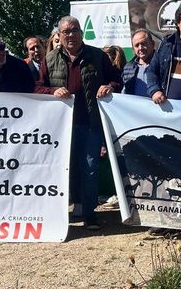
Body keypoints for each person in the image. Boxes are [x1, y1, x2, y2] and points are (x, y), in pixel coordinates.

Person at [35, 15, 122, 229]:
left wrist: (109, 86)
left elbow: (116, 80)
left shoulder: (97, 56)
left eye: (74, 30)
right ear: (59, 35)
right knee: (66, 168)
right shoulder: (50, 59)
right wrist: (53, 91)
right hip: (61, 127)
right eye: (66, 32)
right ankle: (69, 210)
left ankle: (90, 214)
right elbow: (37, 87)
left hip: (91, 122)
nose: (70, 35)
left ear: (81, 33)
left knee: (90, 168)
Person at [122, 29, 156, 97]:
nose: (140, 48)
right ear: (133, 49)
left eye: (143, 43)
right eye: (137, 45)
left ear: (152, 44)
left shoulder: (164, 65)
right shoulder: (128, 68)